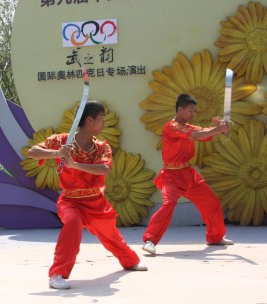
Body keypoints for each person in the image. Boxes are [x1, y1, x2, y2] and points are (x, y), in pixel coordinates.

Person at [27, 101, 147, 290]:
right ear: (89, 120)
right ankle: (57, 274)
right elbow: (33, 152)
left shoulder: (101, 147)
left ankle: (130, 261)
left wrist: (74, 165)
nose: (104, 124)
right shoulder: (61, 141)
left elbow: (104, 169)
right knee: (73, 223)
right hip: (70, 201)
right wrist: (57, 153)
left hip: (95, 201)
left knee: (111, 235)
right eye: (101, 119)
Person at [142, 94, 234, 256]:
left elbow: (203, 133)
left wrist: (221, 129)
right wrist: (219, 129)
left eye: (194, 111)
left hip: (188, 173)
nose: (193, 114)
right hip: (171, 175)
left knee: (211, 202)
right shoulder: (171, 127)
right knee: (169, 204)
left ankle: (215, 237)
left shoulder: (187, 126)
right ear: (180, 109)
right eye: (190, 111)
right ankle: (150, 240)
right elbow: (197, 135)